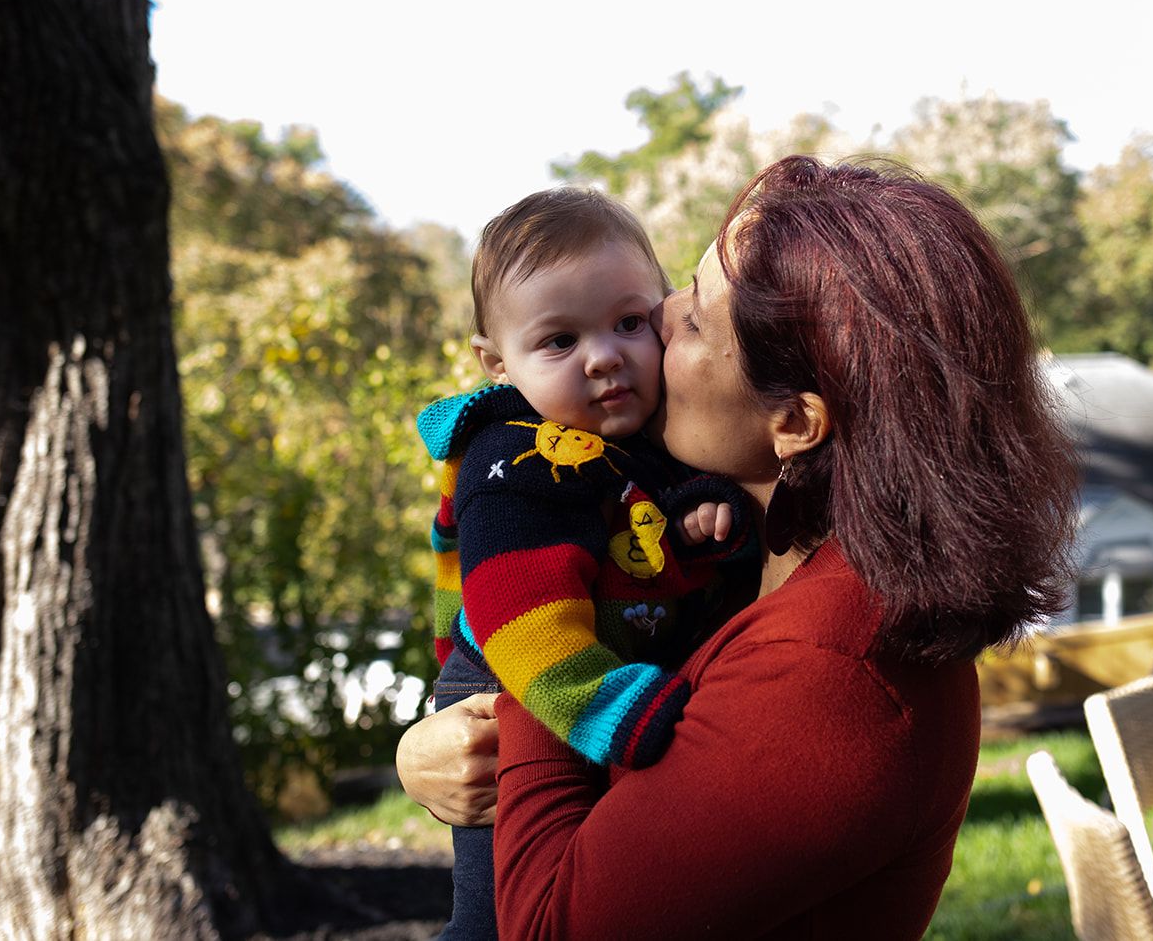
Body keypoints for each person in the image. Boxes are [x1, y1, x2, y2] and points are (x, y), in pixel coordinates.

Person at [398, 156, 1078, 940]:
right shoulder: (764, 564)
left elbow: (551, 927)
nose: (655, 320)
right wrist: (438, 745)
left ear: (793, 421)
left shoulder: (833, 674)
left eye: (688, 317)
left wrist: (522, 689)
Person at [418, 188, 753, 941]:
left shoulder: (641, 433)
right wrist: (610, 705)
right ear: (498, 362)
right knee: (496, 913)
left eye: (629, 323)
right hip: (518, 675)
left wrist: (703, 517)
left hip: (604, 667)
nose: (605, 356)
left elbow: (651, 518)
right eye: (560, 341)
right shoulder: (516, 456)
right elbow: (519, 610)